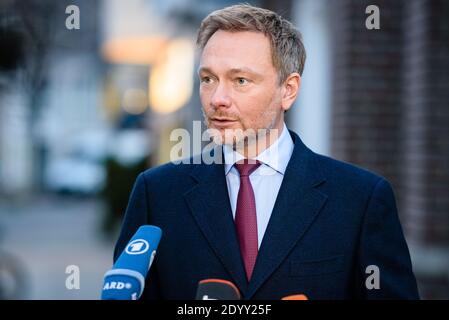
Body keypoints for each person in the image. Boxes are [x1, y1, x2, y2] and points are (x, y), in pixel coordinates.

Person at [114, 4, 419, 299]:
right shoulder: (157, 194)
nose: (218, 98)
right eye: (208, 79)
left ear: (288, 90)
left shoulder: (360, 200)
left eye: (240, 80)